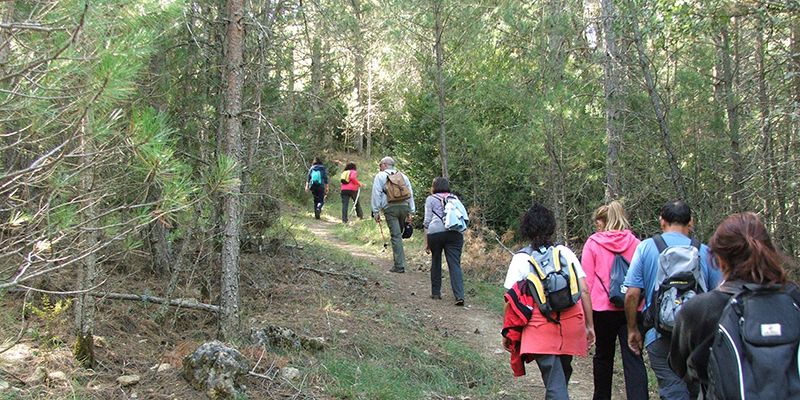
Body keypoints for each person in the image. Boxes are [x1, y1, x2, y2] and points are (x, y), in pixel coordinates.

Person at [669, 212, 797, 398]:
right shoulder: (793, 299)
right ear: (769, 251)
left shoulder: (700, 309)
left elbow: (679, 366)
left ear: (720, 259)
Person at [623, 200, 722, 400]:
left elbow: (632, 294)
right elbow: (719, 294)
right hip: (697, 337)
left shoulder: (645, 248)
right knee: (695, 389)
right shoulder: (705, 252)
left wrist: (633, 329)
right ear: (691, 222)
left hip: (658, 335)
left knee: (672, 389)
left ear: (662, 221)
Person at [502, 203, 595, 400]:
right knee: (561, 374)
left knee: (555, 381)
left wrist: (508, 331)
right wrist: (589, 325)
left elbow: (510, 300)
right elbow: (584, 290)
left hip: (539, 327)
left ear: (526, 229)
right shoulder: (564, 253)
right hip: (571, 323)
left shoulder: (521, 259)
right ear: (551, 227)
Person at [582, 201, 649, 400]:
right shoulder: (637, 244)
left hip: (602, 310)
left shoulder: (593, 243)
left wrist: (587, 320)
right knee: (634, 356)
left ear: (604, 221)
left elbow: (587, 284)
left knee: (603, 357)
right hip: (632, 307)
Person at [423, 177, 465, 306]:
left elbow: (427, 221)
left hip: (435, 232)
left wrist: (426, 241)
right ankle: (459, 295)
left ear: (434, 187)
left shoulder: (430, 199)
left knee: (436, 260)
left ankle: (436, 293)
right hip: (454, 232)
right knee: (454, 264)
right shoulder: (454, 198)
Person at [371, 156, 415, 273]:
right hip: (404, 206)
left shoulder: (380, 176)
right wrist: (411, 211)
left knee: (396, 236)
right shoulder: (403, 176)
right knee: (398, 234)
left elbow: (376, 193)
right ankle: (400, 261)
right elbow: (410, 193)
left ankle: (399, 266)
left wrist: (375, 211)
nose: (379, 167)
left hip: (390, 208)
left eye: (380, 165)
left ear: (385, 165)